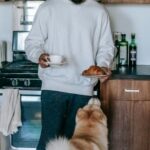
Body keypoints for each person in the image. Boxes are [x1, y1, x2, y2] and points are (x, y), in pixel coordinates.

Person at [25, 0, 114, 150]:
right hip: (53, 89)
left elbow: (106, 47)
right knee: (49, 143)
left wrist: (103, 66)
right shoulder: (48, 7)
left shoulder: (99, 11)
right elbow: (32, 43)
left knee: (78, 146)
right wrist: (39, 55)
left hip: (83, 90)